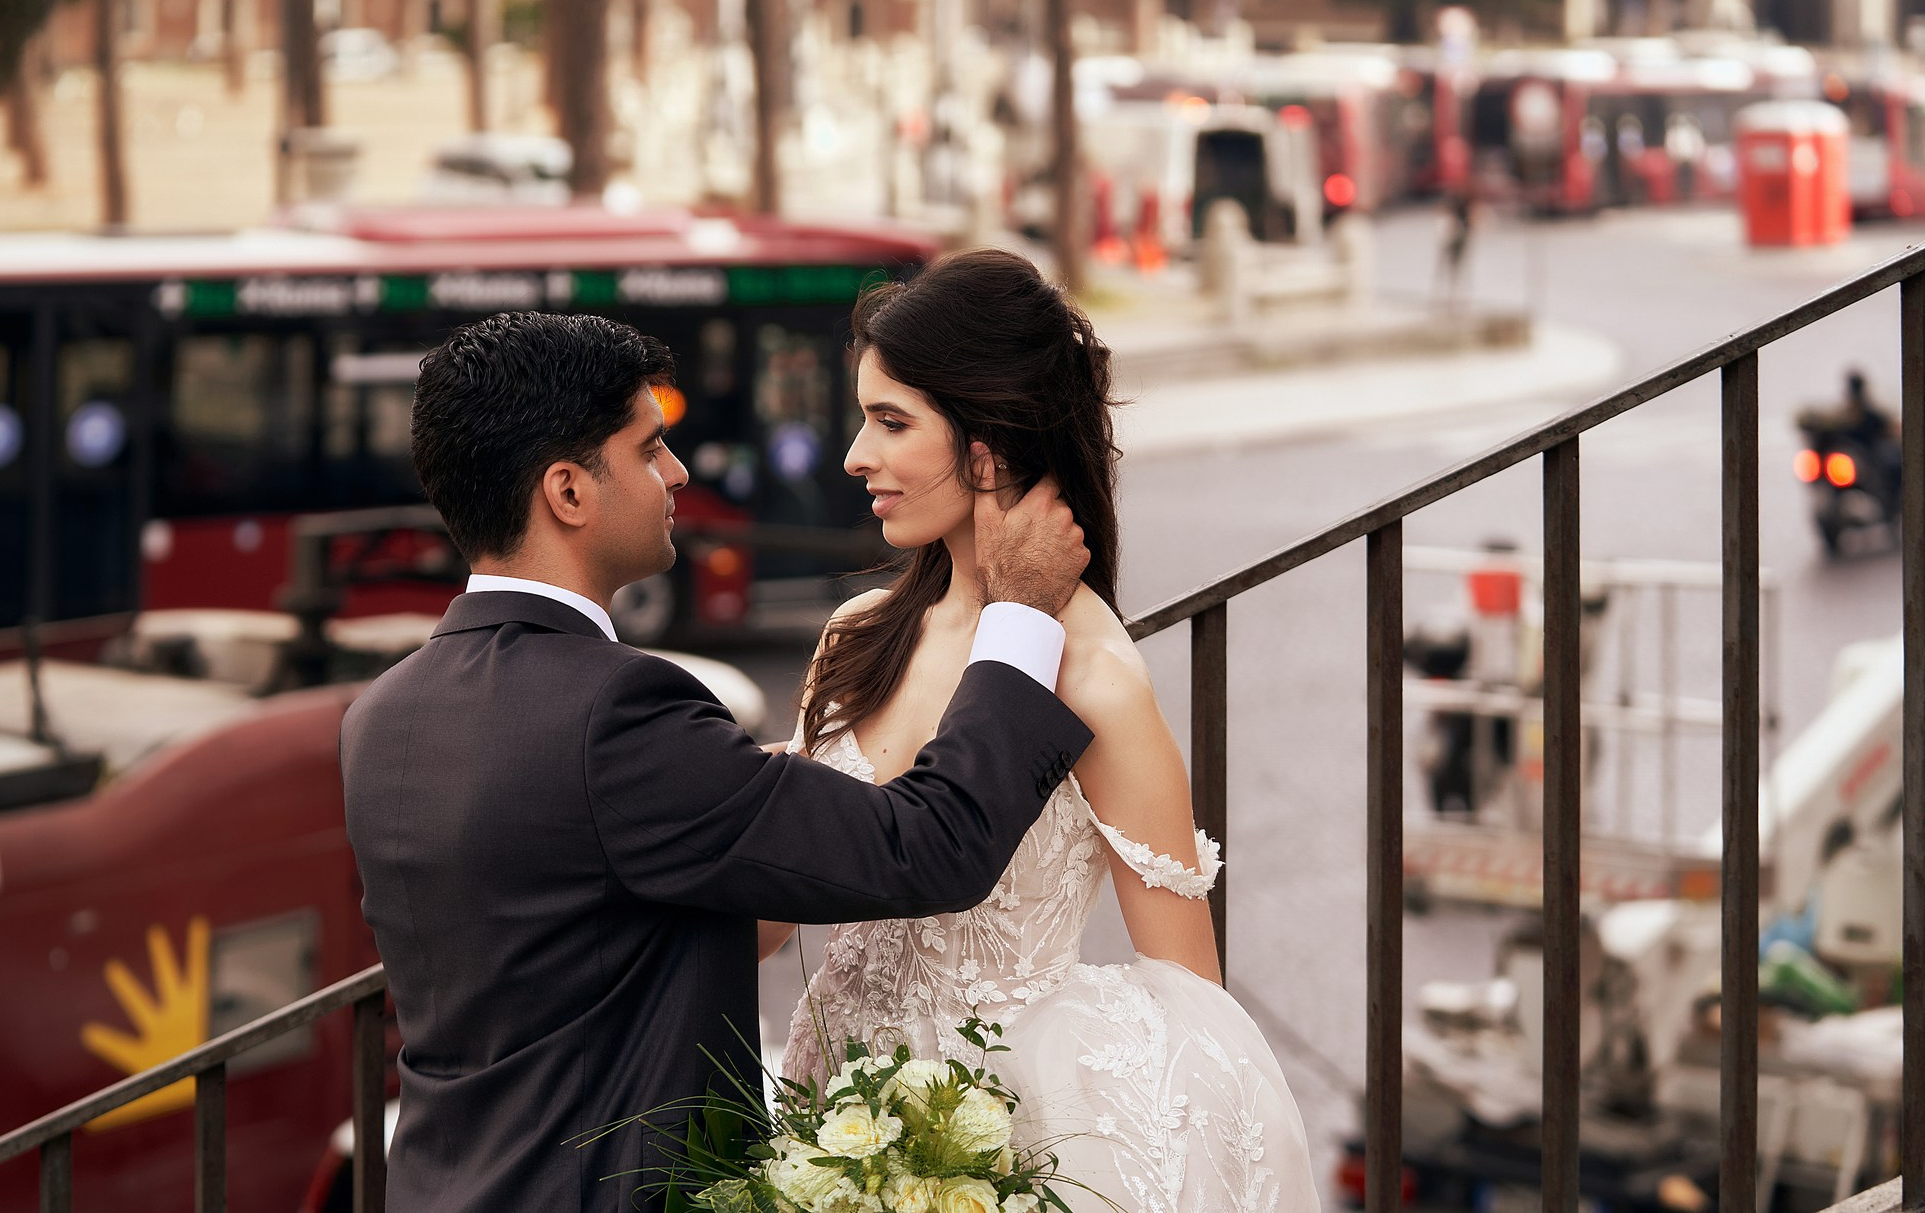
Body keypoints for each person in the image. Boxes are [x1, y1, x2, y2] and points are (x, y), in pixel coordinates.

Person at [339, 311, 1098, 1211]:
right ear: (568, 492)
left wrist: (751, 787)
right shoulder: (617, 713)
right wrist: (1019, 617)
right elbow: (930, 847)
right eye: (649, 447)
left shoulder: (379, 716)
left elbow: (567, 900)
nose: (678, 472)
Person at [768, 248, 1320, 1211]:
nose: (854, 454)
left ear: (987, 444)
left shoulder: (1097, 678)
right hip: (832, 1117)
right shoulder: (854, 639)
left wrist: (1048, 1081)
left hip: (1003, 1141)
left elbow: (1194, 1002)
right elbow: (776, 891)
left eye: (891, 422)